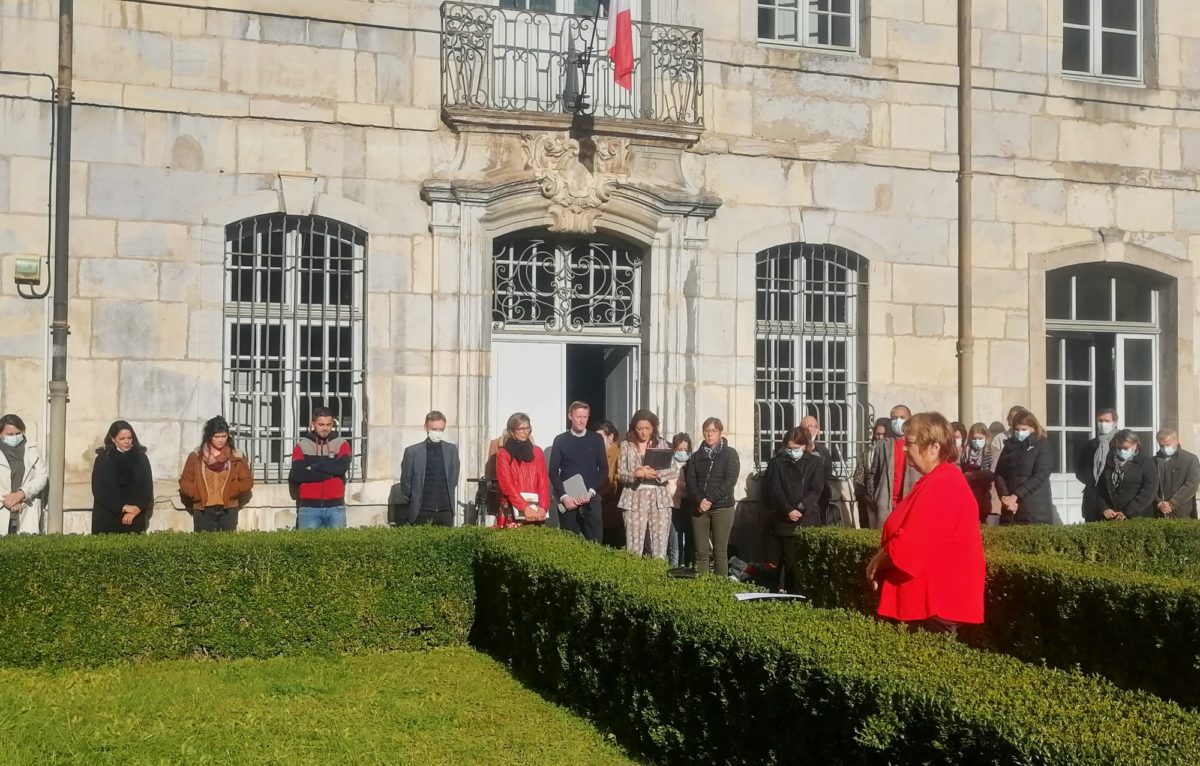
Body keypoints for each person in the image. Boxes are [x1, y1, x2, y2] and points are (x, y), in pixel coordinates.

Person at [865, 412, 985, 637]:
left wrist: (877, 562)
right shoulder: (935, 479)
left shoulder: (944, 483)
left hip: (934, 604)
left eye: (910, 443)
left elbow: (911, 542)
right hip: (926, 601)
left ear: (934, 447)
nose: (904, 448)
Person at [763, 426, 826, 594]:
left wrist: (801, 507)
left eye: (796, 449)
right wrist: (787, 509)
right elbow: (775, 489)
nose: (792, 452)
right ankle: (789, 595)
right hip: (784, 520)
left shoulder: (815, 462)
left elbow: (816, 489)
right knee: (787, 562)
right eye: (789, 449)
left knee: (805, 563)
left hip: (807, 517)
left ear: (804, 446)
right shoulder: (778, 462)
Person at [616, 410, 677, 559]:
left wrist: (656, 474)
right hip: (634, 498)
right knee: (634, 546)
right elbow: (621, 474)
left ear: (653, 428)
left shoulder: (663, 444)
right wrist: (638, 474)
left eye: (647, 428)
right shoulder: (626, 446)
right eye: (639, 428)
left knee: (659, 545)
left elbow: (674, 470)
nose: (643, 432)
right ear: (634, 428)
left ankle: (657, 577)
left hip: (659, 499)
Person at [685, 417, 740, 577]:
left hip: (722, 507)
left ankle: (720, 588)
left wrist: (709, 499)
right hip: (699, 508)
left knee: (720, 552)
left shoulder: (729, 454)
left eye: (713, 431)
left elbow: (730, 480)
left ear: (720, 433)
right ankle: (703, 589)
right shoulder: (695, 456)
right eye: (707, 431)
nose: (710, 435)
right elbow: (691, 481)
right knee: (701, 552)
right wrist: (699, 500)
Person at [178, 415, 253, 532]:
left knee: (227, 547)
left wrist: (233, 491)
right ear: (209, 436)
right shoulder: (196, 456)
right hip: (203, 511)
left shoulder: (237, 455)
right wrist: (196, 494)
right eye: (217, 436)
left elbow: (247, 481)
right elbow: (185, 482)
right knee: (203, 546)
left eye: (224, 436)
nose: (221, 440)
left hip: (228, 510)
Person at [548, 401, 608, 542]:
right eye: (578, 416)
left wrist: (591, 492)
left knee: (595, 543)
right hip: (569, 500)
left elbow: (604, 470)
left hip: (590, 499)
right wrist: (564, 497)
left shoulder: (596, 439)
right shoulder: (560, 440)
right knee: (570, 544)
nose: (582, 420)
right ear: (570, 416)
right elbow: (553, 471)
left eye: (585, 417)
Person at [289, 407, 352, 529]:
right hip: (309, 509)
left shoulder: (341, 444)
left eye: (328, 424)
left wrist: (313, 467)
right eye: (321, 424)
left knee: (338, 546)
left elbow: (341, 468)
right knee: (308, 546)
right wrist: (330, 474)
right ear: (313, 424)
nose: (325, 428)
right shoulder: (302, 446)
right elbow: (298, 474)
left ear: (332, 424)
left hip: (336, 508)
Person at [394, 410, 460, 527]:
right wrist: (415, 497)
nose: (438, 432)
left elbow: (453, 478)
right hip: (421, 511)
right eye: (434, 429)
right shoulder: (412, 452)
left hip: (445, 510)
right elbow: (406, 483)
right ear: (426, 427)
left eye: (441, 429)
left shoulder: (451, 450)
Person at [91, 420, 154, 535]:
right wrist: (123, 507)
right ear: (113, 439)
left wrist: (137, 509)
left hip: (134, 519)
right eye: (122, 439)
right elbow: (99, 490)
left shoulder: (141, 458)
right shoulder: (103, 459)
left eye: (129, 438)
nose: (126, 442)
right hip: (108, 519)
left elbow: (147, 488)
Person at [993, 410, 1053, 525]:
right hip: (1010, 509)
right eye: (1017, 430)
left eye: (1024, 430)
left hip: (1034, 510)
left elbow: (1040, 475)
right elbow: (999, 474)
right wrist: (1005, 497)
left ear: (1033, 428)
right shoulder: (1009, 446)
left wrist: (1016, 495)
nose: (1020, 433)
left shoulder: (1042, 445)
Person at [867, 405, 920, 528]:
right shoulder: (883, 445)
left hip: (910, 502)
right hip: (886, 504)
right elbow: (873, 474)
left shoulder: (918, 444)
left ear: (910, 419)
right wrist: (876, 495)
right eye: (894, 418)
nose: (898, 421)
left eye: (902, 417)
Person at [494, 412, 550, 526]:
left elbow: (543, 481)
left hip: (536, 509)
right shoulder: (504, 454)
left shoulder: (537, 452)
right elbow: (506, 485)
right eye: (521, 429)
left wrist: (544, 506)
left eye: (528, 428)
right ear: (512, 431)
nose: (525, 432)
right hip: (513, 507)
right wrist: (524, 507)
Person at [1094, 429, 1158, 521]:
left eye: (1126, 448)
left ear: (1135, 445)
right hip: (1112, 517)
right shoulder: (1110, 461)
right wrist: (1104, 508)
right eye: (1119, 448)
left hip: (1138, 517)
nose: (1122, 451)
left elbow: (1149, 492)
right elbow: (1100, 488)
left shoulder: (1146, 463)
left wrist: (1127, 512)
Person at [0, 414, 47, 536]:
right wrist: (8, 501)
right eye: (10, 435)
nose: (14, 437)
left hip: (26, 507)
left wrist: (21, 494)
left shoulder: (31, 448)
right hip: (3, 507)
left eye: (18, 433)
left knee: (26, 550)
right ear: (1, 434)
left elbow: (42, 476)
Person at [1075, 408, 1119, 523]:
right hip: (1092, 498)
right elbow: (1080, 471)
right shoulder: (1089, 445)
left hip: (1114, 501)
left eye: (1107, 421)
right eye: (1100, 420)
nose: (1103, 424)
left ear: (1115, 422)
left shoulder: (1121, 444)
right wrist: (1093, 482)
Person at [852, 417, 891, 529]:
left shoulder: (895, 456)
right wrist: (867, 498)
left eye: (883, 434)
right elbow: (858, 479)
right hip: (868, 503)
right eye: (877, 434)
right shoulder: (867, 455)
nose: (880, 438)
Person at [801, 415, 839, 526]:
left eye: (813, 426)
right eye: (806, 426)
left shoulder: (823, 450)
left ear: (817, 430)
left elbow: (828, 472)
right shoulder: (795, 448)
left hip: (820, 497)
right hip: (800, 497)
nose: (810, 429)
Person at [1154, 428, 1200, 520]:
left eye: (1168, 445)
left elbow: (1192, 484)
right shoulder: (1153, 461)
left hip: (1183, 513)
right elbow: (1149, 486)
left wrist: (1172, 503)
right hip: (1158, 514)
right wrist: (1158, 502)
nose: (1165, 448)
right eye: (1161, 446)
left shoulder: (1190, 459)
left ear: (1177, 441)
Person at [594, 420, 624, 547]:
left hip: (611, 507)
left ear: (610, 437)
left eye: (600, 436)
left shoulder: (619, 453)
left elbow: (616, 482)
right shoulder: (596, 453)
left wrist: (599, 497)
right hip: (597, 505)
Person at [960, 422, 996, 524]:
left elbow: (990, 473)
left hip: (984, 492)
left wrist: (972, 476)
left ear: (986, 438)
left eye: (980, 438)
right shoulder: (965, 452)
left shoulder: (990, 452)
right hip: (968, 491)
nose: (977, 441)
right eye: (974, 438)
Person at [665, 432, 692, 567]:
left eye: (685, 450)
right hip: (673, 505)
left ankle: (686, 565)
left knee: (688, 540)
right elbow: (669, 485)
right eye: (679, 449)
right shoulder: (670, 463)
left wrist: (681, 485)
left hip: (688, 505)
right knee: (675, 539)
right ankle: (674, 567)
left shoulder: (691, 463)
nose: (682, 452)